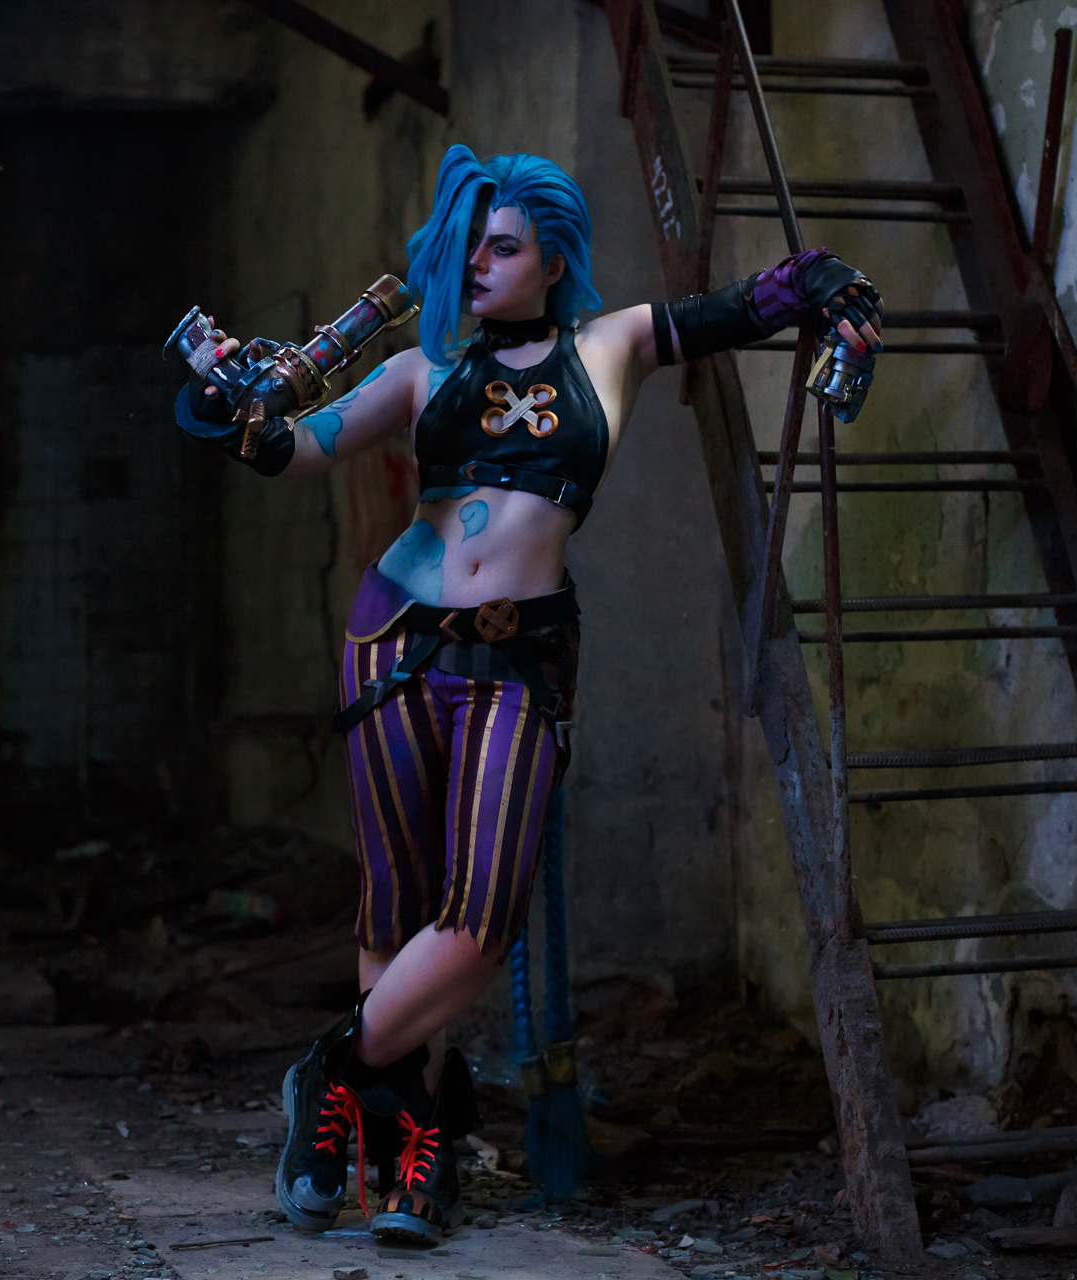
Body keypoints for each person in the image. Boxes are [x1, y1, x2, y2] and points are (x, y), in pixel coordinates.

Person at [172, 145, 882, 1244]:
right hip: (396, 641)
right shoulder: (419, 367)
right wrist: (233, 412)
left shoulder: (612, 344)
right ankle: (411, 1156)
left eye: (501, 248)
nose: (477, 267)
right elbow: (300, 448)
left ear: (553, 259)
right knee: (396, 904)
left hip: (521, 656)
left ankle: (332, 1072)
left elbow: (741, 307)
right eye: (468, 250)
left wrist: (826, 284)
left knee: (479, 919)